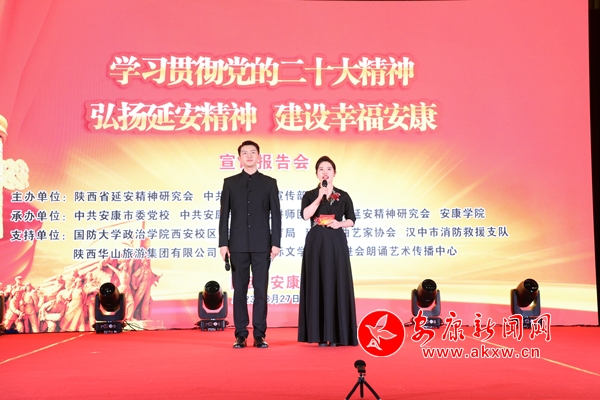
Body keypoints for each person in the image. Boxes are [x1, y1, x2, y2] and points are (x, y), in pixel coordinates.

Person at [219, 140, 281, 349]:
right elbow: (224, 216)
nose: (248, 156)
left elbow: (276, 216)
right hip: (237, 245)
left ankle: (260, 335)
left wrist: (276, 243)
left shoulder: (269, 183)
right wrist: (223, 243)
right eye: (244, 153)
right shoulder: (230, 183)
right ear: (239, 158)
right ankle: (241, 334)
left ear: (259, 157)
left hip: (263, 245)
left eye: (252, 152)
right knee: (240, 292)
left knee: (261, 291)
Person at [298, 156, 358, 346]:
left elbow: (352, 220)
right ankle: (319, 335)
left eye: (329, 169)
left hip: (336, 242)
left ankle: (338, 334)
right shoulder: (310, 195)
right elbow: (305, 215)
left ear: (334, 173)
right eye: (321, 169)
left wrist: (339, 224)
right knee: (317, 282)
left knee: (337, 282)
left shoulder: (344, 195)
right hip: (316, 242)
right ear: (317, 173)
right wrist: (319, 197)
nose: (325, 172)